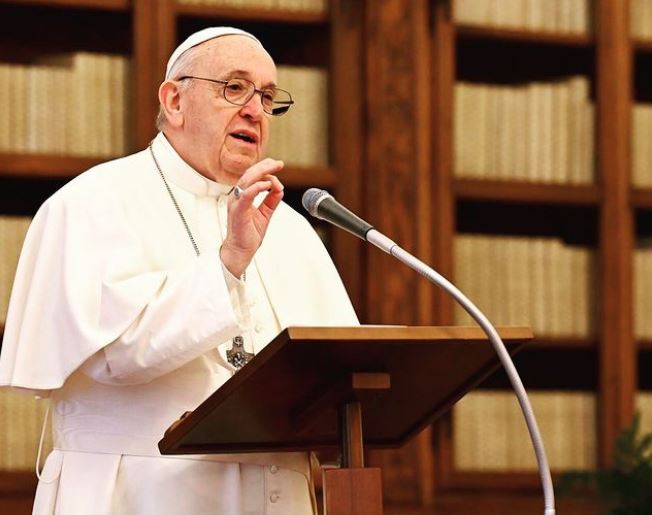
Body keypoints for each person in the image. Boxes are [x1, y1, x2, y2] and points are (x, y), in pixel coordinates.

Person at [0, 27, 358, 515]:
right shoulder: (91, 204)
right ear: (174, 101)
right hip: (138, 495)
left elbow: (339, 381)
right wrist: (228, 263)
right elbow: (119, 354)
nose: (255, 110)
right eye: (235, 88)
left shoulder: (291, 230)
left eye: (267, 97)